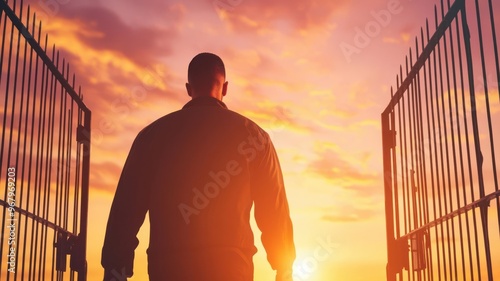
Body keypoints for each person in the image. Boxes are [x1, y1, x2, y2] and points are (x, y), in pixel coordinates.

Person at [101, 52, 295, 281]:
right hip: (231, 269)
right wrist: (284, 267)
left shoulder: (151, 136)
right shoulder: (255, 138)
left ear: (188, 87)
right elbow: (274, 209)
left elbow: (126, 208)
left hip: (169, 268)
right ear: (225, 88)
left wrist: (116, 268)